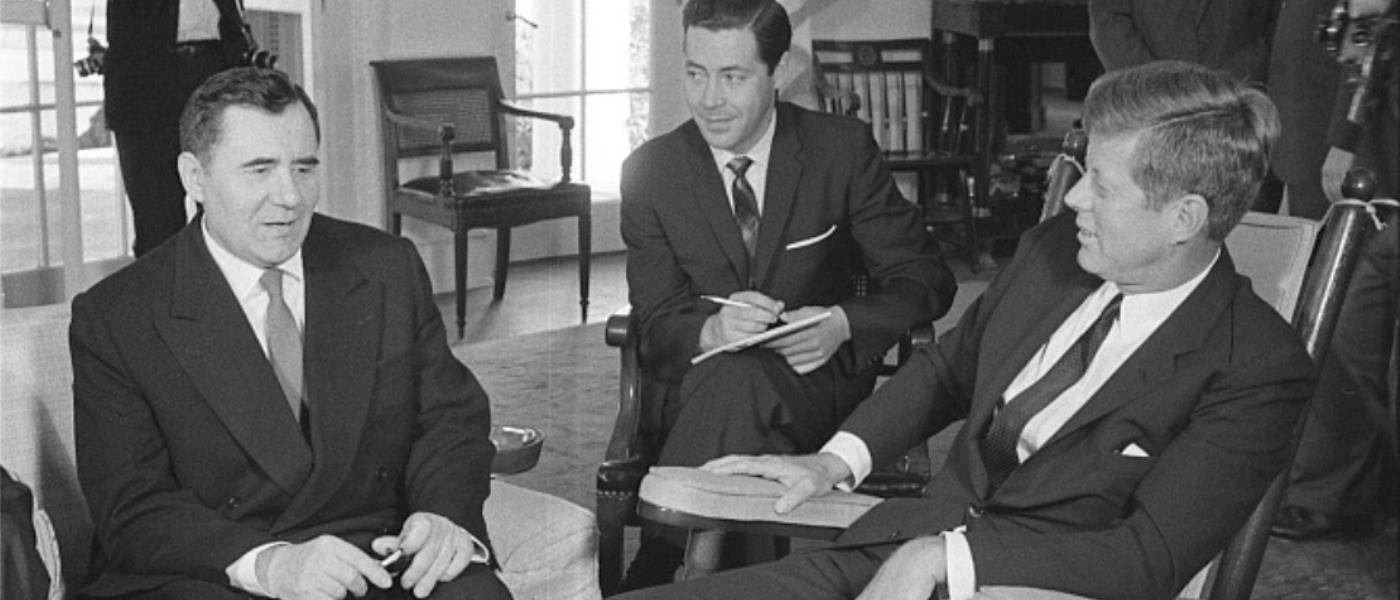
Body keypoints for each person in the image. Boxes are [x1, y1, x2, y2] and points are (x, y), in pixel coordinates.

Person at [616, 60, 1315, 600]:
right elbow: (949, 370)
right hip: (894, 553)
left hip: (1026, 586)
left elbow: (1148, 555)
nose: (1072, 198)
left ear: (1184, 219)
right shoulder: (1052, 256)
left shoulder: (1255, 366)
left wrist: (946, 561)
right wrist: (832, 462)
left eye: (1099, 186)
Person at [72, 67, 520, 599]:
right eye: (259, 170)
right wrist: (274, 566)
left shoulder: (386, 267)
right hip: (220, 568)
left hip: (374, 551)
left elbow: (449, 418)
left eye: (304, 167)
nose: (289, 196)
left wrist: (443, 515)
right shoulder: (117, 316)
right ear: (195, 177)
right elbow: (133, 508)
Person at [618, 0, 956, 588]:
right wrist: (711, 330)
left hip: (813, 394)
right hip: (699, 392)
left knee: (740, 388)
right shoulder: (651, 171)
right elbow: (656, 324)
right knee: (735, 381)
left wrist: (843, 322)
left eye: (733, 77)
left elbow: (926, 277)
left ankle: (657, 570)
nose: (708, 99)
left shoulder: (840, 150)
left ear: (778, 74)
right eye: (695, 73)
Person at [1270, 0, 1399, 541]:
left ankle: (1334, 488)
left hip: (1367, 147)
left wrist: (1346, 140)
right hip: (1347, 139)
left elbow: (1367, 27)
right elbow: (1363, 31)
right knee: (1341, 324)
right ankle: (1331, 488)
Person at [104, 0, 256, 256]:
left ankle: (225, 295)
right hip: (144, 81)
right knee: (157, 224)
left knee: (225, 214)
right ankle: (163, 295)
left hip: (214, 69)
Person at [1088, 0, 1279, 84]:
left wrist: (1223, 84)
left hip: (1237, 105)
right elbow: (1108, 21)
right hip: (1146, 109)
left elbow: (1281, 26)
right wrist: (1159, 84)